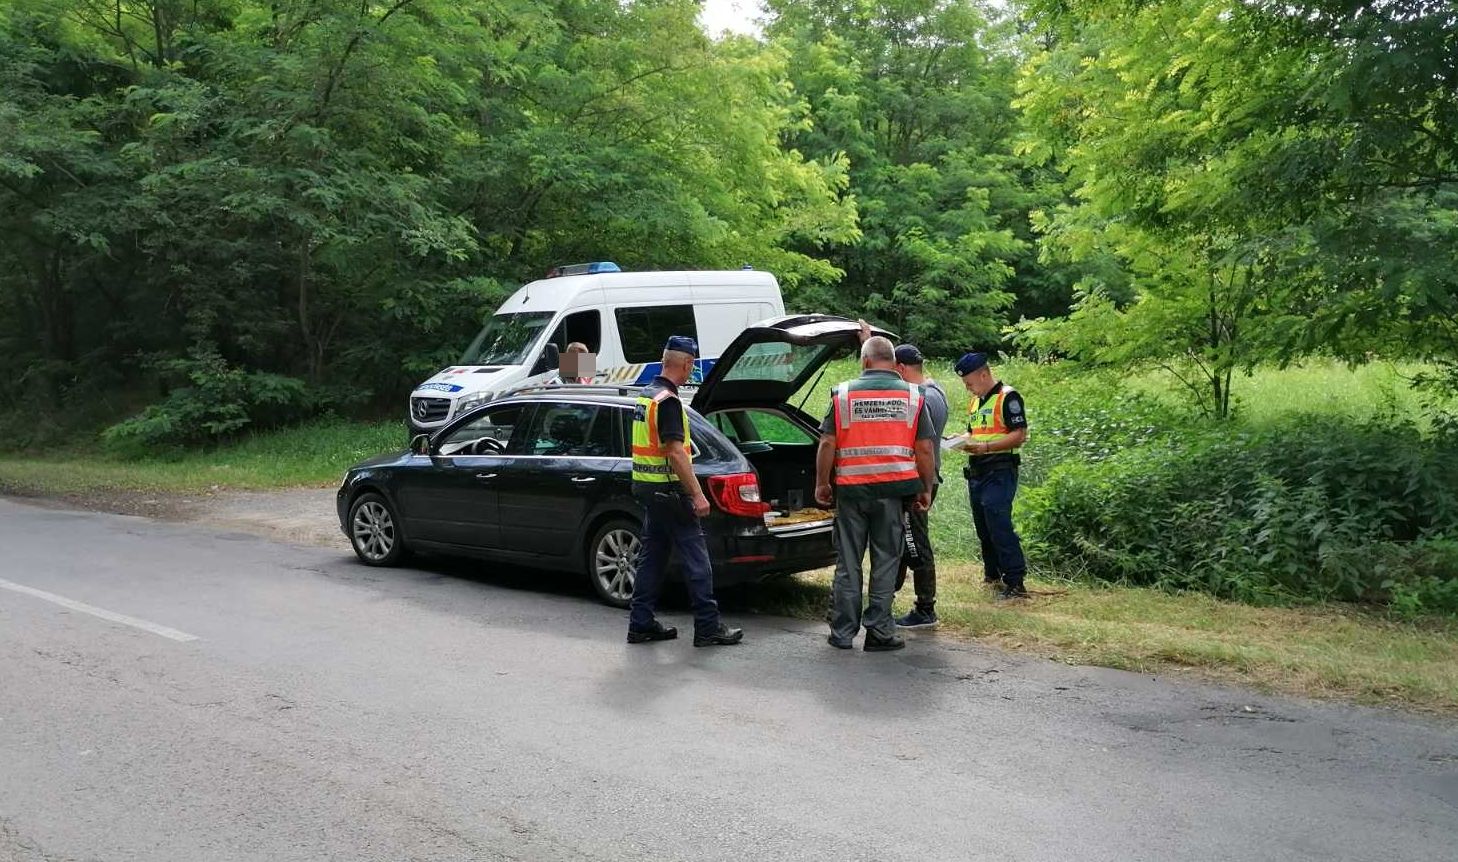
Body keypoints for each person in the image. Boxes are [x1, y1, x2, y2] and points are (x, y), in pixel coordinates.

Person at [815, 336, 937, 652]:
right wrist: (925, 488)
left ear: (865, 361)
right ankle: (880, 631)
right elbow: (924, 448)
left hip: (851, 493)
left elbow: (827, 443)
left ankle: (842, 633)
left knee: (849, 562)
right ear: (893, 362)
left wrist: (822, 483)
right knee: (885, 561)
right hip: (894, 493)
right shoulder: (913, 395)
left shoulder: (842, 394)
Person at [626, 335, 744, 647]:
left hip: (648, 489)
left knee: (651, 558)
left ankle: (640, 623)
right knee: (696, 557)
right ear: (688, 364)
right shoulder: (668, 401)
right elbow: (676, 452)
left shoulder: (646, 396)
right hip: (671, 492)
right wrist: (697, 494)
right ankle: (708, 626)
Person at [955, 352, 1029, 600]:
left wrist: (987, 447)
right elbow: (973, 433)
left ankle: (1016, 582)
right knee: (983, 526)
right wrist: (957, 441)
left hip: (1000, 469)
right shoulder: (976, 402)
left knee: (999, 524)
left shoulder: (1008, 397)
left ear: (983, 374)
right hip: (977, 471)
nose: (968, 389)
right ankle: (992, 575)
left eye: (969, 383)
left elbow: (1019, 435)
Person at [890, 344, 950, 628]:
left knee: (915, 542)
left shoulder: (919, 398)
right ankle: (886, 598)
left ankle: (926, 608)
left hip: (917, 482)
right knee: (903, 540)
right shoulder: (936, 391)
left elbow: (922, 447)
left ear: (900, 368)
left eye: (892, 371)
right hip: (926, 478)